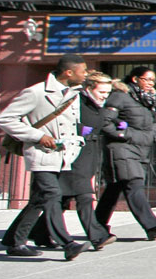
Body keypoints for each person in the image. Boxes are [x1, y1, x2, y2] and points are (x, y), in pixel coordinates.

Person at [0, 53, 94, 260]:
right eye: (82, 71)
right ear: (69, 72)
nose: (85, 74)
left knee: (40, 199)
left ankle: (14, 241)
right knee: (51, 194)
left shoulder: (75, 93)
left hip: (63, 155)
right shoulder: (35, 92)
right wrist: (38, 136)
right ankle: (67, 242)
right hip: (41, 153)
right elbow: (6, 119)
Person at [29, 71, 116, 251]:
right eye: (101, 92)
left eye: (108, 93)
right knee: (84, 196)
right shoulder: (76, 101)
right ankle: (97, 236)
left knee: (61, 199)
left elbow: (103, 122)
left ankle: (39, 233)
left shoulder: (98, 105)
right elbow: (63, 121)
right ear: (89, 88)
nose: (105, 96)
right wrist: (79, 129)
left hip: (88, 155)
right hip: (73, 155)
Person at [96, 67, 156, 240]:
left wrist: (152, 134)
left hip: (141, 148)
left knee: (113, 189)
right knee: (134, 184)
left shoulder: (150, 100)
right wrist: (126, 134)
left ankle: (96, 226)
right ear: (135, 79)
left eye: (153, 80)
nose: (150, 83)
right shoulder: (119, 96)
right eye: (147, 79)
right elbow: (105, 123)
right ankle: (152, 226)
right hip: (121, 148)